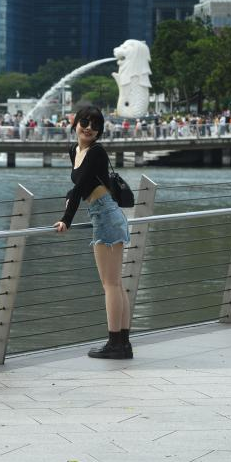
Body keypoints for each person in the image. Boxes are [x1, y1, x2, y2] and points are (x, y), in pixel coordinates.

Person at [53, 105, 132, 359]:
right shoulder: (74, 150)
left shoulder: (97, 152)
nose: (89, 128)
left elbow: (80, 189)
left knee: (111, 285)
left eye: (95, 125)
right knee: (116, 284)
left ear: (99, 131)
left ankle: (115, 343)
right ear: (75, 123)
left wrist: (66, 219)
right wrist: (70, 197)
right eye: (84, 122)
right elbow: (80, 186)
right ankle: (123, 344)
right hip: (102, 215)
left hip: (106, 216)